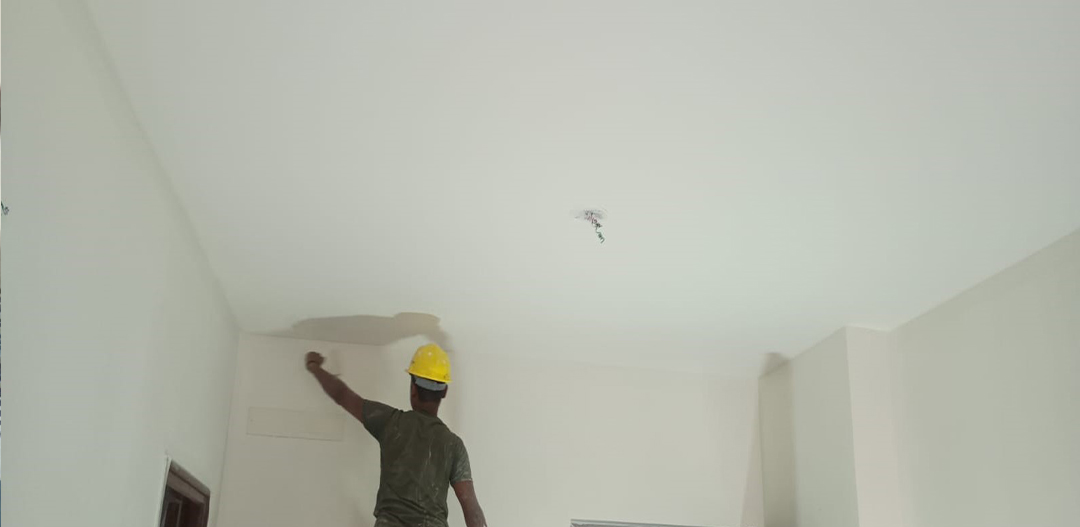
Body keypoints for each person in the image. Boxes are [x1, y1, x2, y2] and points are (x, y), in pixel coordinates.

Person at [305, 344, 487, 527]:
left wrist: (314, 367)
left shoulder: (390, 422)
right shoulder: (454, 445)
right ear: (444, 392)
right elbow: (472, 511)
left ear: (413, 389)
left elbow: (342, 395)